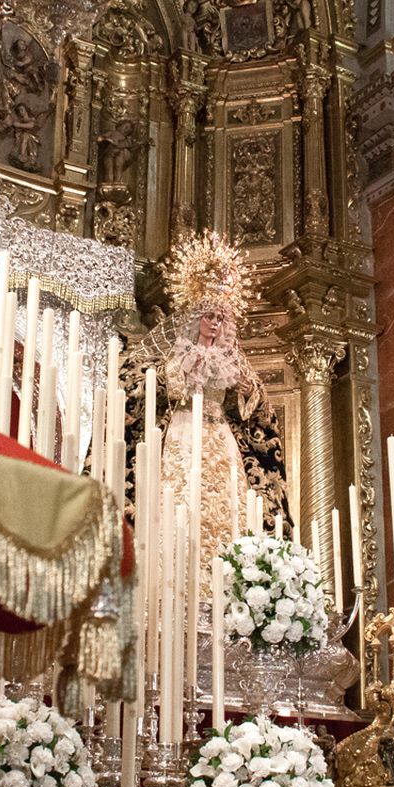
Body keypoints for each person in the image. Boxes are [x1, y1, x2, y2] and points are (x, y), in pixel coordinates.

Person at [124, 231, 290, 566]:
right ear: (195, 317)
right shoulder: (177, 353)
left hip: (220, 438)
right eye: (208, 316)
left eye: (220, 318)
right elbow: (149, 387)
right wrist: (179, 375)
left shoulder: (233, 358)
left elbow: (255, 410)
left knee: (227, 505)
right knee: (179, 498)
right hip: (183, 433)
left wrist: (248, 392)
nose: (214, 324)